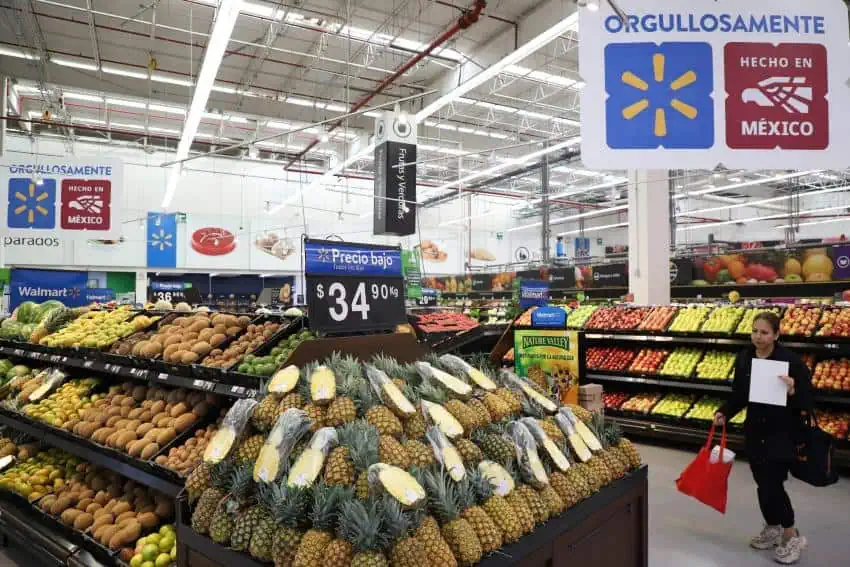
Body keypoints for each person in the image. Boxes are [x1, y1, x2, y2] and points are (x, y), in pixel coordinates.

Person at [714, 312, 813, 565]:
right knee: (761, 481)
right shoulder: (745, 358)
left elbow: (808, 400)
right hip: (755, 430)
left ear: (776, 335)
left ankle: (791, 535)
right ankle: (772, 527)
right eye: (755, 331)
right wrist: (725, 412)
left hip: (782, 431)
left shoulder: (790, 361)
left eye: (765, 332)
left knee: (772, 483)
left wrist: (793, 389)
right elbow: (739, 394)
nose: (759, 337)